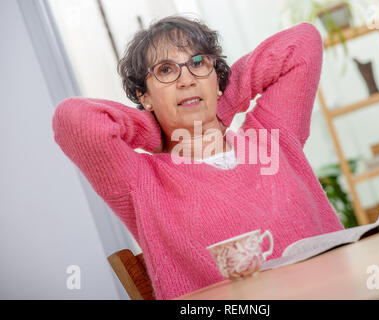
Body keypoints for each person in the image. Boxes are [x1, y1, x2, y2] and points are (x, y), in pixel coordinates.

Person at [52, 15, 344, 300]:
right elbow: (73, 120)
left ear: (217, 77)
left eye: (197, 63)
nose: (186, 80)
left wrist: (219, 105)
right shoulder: (140, 181)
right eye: (165, 70)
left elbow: (302, 42)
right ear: (144, 96)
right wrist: (158, 129)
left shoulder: (272, 135)